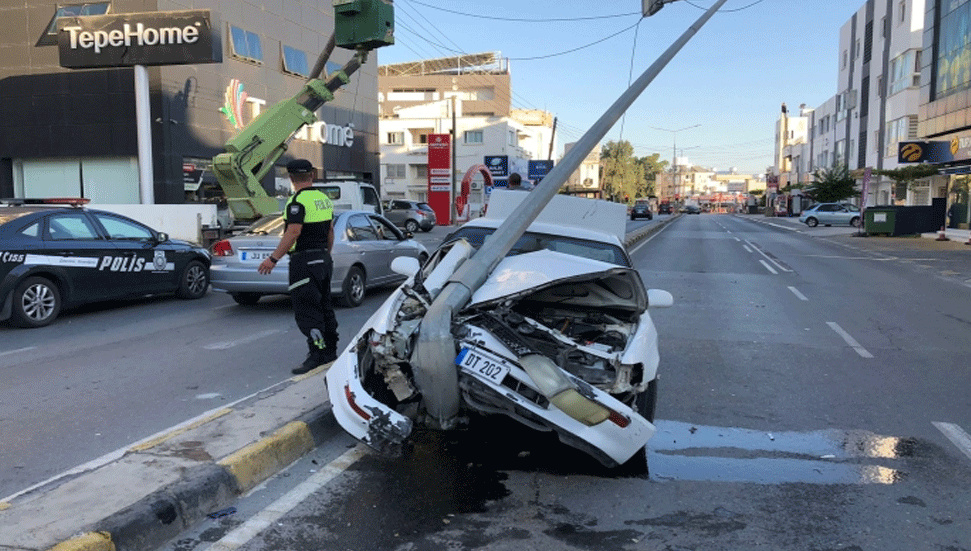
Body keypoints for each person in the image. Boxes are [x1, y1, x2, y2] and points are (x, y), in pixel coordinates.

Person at [258, 159, 340, 375]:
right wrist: (325, 256)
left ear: (291, 178)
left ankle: (317, 355)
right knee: (324, 307)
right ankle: (331, 352)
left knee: (307, 310)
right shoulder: (323, 199)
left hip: (304, 262)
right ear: (312, 175)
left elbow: (293, 232)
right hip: (323, 259)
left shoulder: (296, 202)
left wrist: (273, 259)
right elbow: (330, 231)